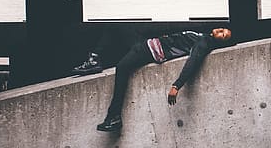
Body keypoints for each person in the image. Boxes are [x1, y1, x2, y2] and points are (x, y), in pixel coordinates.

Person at [72, 23, 233, 133]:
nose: (221, 31)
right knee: (117, 26)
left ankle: (114, 117)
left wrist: (176, 86)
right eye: (224, 29)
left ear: (220, 43)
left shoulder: (204, 43)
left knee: (122, 68)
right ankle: (94, 59)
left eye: (224, 35)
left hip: (149, 51)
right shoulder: (202, 36)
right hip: (146, 44)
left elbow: (193, 62)